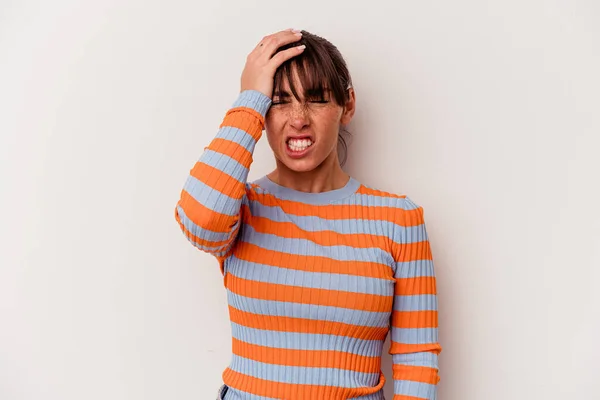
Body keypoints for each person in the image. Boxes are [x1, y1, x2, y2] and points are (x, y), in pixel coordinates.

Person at [175, 28, 441, 400]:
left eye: (315, 99)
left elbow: (417, 359)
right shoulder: (241, 208)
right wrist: (250, 100)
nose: (298, 119)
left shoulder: (398, 220)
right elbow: (199, 219)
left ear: (347, 105)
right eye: (279, 101)